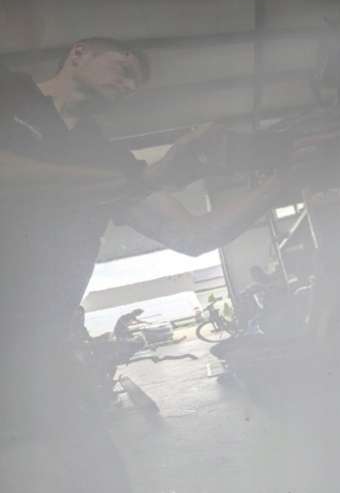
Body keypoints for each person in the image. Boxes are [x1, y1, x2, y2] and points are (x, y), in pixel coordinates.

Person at [0, 38, 291, 493]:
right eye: (124, 67)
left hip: (39, 341)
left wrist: (285, 181)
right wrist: (131, 179)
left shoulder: (103, 156)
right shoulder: (11, 92)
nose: (128, 85)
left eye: (134, 83)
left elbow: (193, 236)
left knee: (97, 474)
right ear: (80, 53)